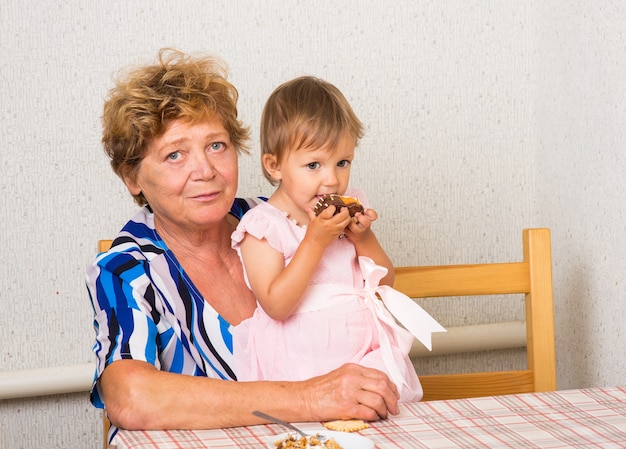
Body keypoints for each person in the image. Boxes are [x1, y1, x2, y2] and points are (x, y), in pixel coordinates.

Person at [86, 49, 400, 442]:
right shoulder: (126, 267)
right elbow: (129, 396)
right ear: (132, 177)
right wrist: (307, 398)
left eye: (216, 145)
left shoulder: (281, 218)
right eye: (175, 154)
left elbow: (371, 285)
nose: (205, 171)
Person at [231, 76, 444, 402]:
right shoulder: (263, 226)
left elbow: (386, 283)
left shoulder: (349, 209)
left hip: (364, 354)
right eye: (313, 164)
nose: (332, 180)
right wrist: (314, 241)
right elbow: (276, 305)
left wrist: (364, 238)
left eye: (342, 162)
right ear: (274, 166)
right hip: (299, 366)